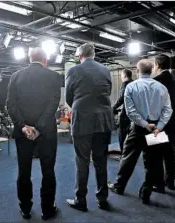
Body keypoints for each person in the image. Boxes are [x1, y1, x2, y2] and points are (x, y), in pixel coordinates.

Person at [108, 59, 172, 205]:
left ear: (137, 71)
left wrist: (144, 124)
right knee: (153, 162)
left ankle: (119, 186)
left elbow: (130, 112)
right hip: (156, 128)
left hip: (138, 127)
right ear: (152, 70)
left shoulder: (132, 86)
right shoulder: (161, 87)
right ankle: (146, 193)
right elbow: (168, 110)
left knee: (128, 158)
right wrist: (159, 126)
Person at [6, 47, 61, 220]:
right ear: (45, 60)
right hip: (47, 133)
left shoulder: (16, 76)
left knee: (24, 171)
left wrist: (23, 126)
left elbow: (10, 105)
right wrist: (39, 127)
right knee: (48, 171)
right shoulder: (54, 76)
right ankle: (47, 210)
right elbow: (53, 105)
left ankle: (26, 209)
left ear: (29, 58)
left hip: (23, 133)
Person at [65, 43, 115, 211]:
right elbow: (107, 92)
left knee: (82, 162)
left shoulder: (73, 70)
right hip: (103, 119)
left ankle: (81, 200)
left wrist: (81, 106)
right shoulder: (106, 70)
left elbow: (69, 98)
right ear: (93, 54)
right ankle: (102, 198)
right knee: (101, 162)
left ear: (80, 56)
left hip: (82, 120)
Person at [153, 54, 175, 187]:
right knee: (169, 153)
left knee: (156, 154)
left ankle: (158, 184)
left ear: (157, 65)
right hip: (173, 122)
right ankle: (170, 182)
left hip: (159, 123)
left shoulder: (155, 81)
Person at [112, 69, 133, 154]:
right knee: (131, 133)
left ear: (124, 75)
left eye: (121, 75)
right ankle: (130, 151)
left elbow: (122, 98)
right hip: (134, 113)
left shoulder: (125, 84)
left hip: (126, 113)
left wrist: (113, 108)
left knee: (122, 133)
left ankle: (122, 152)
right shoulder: (134, 83)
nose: (121, 77)